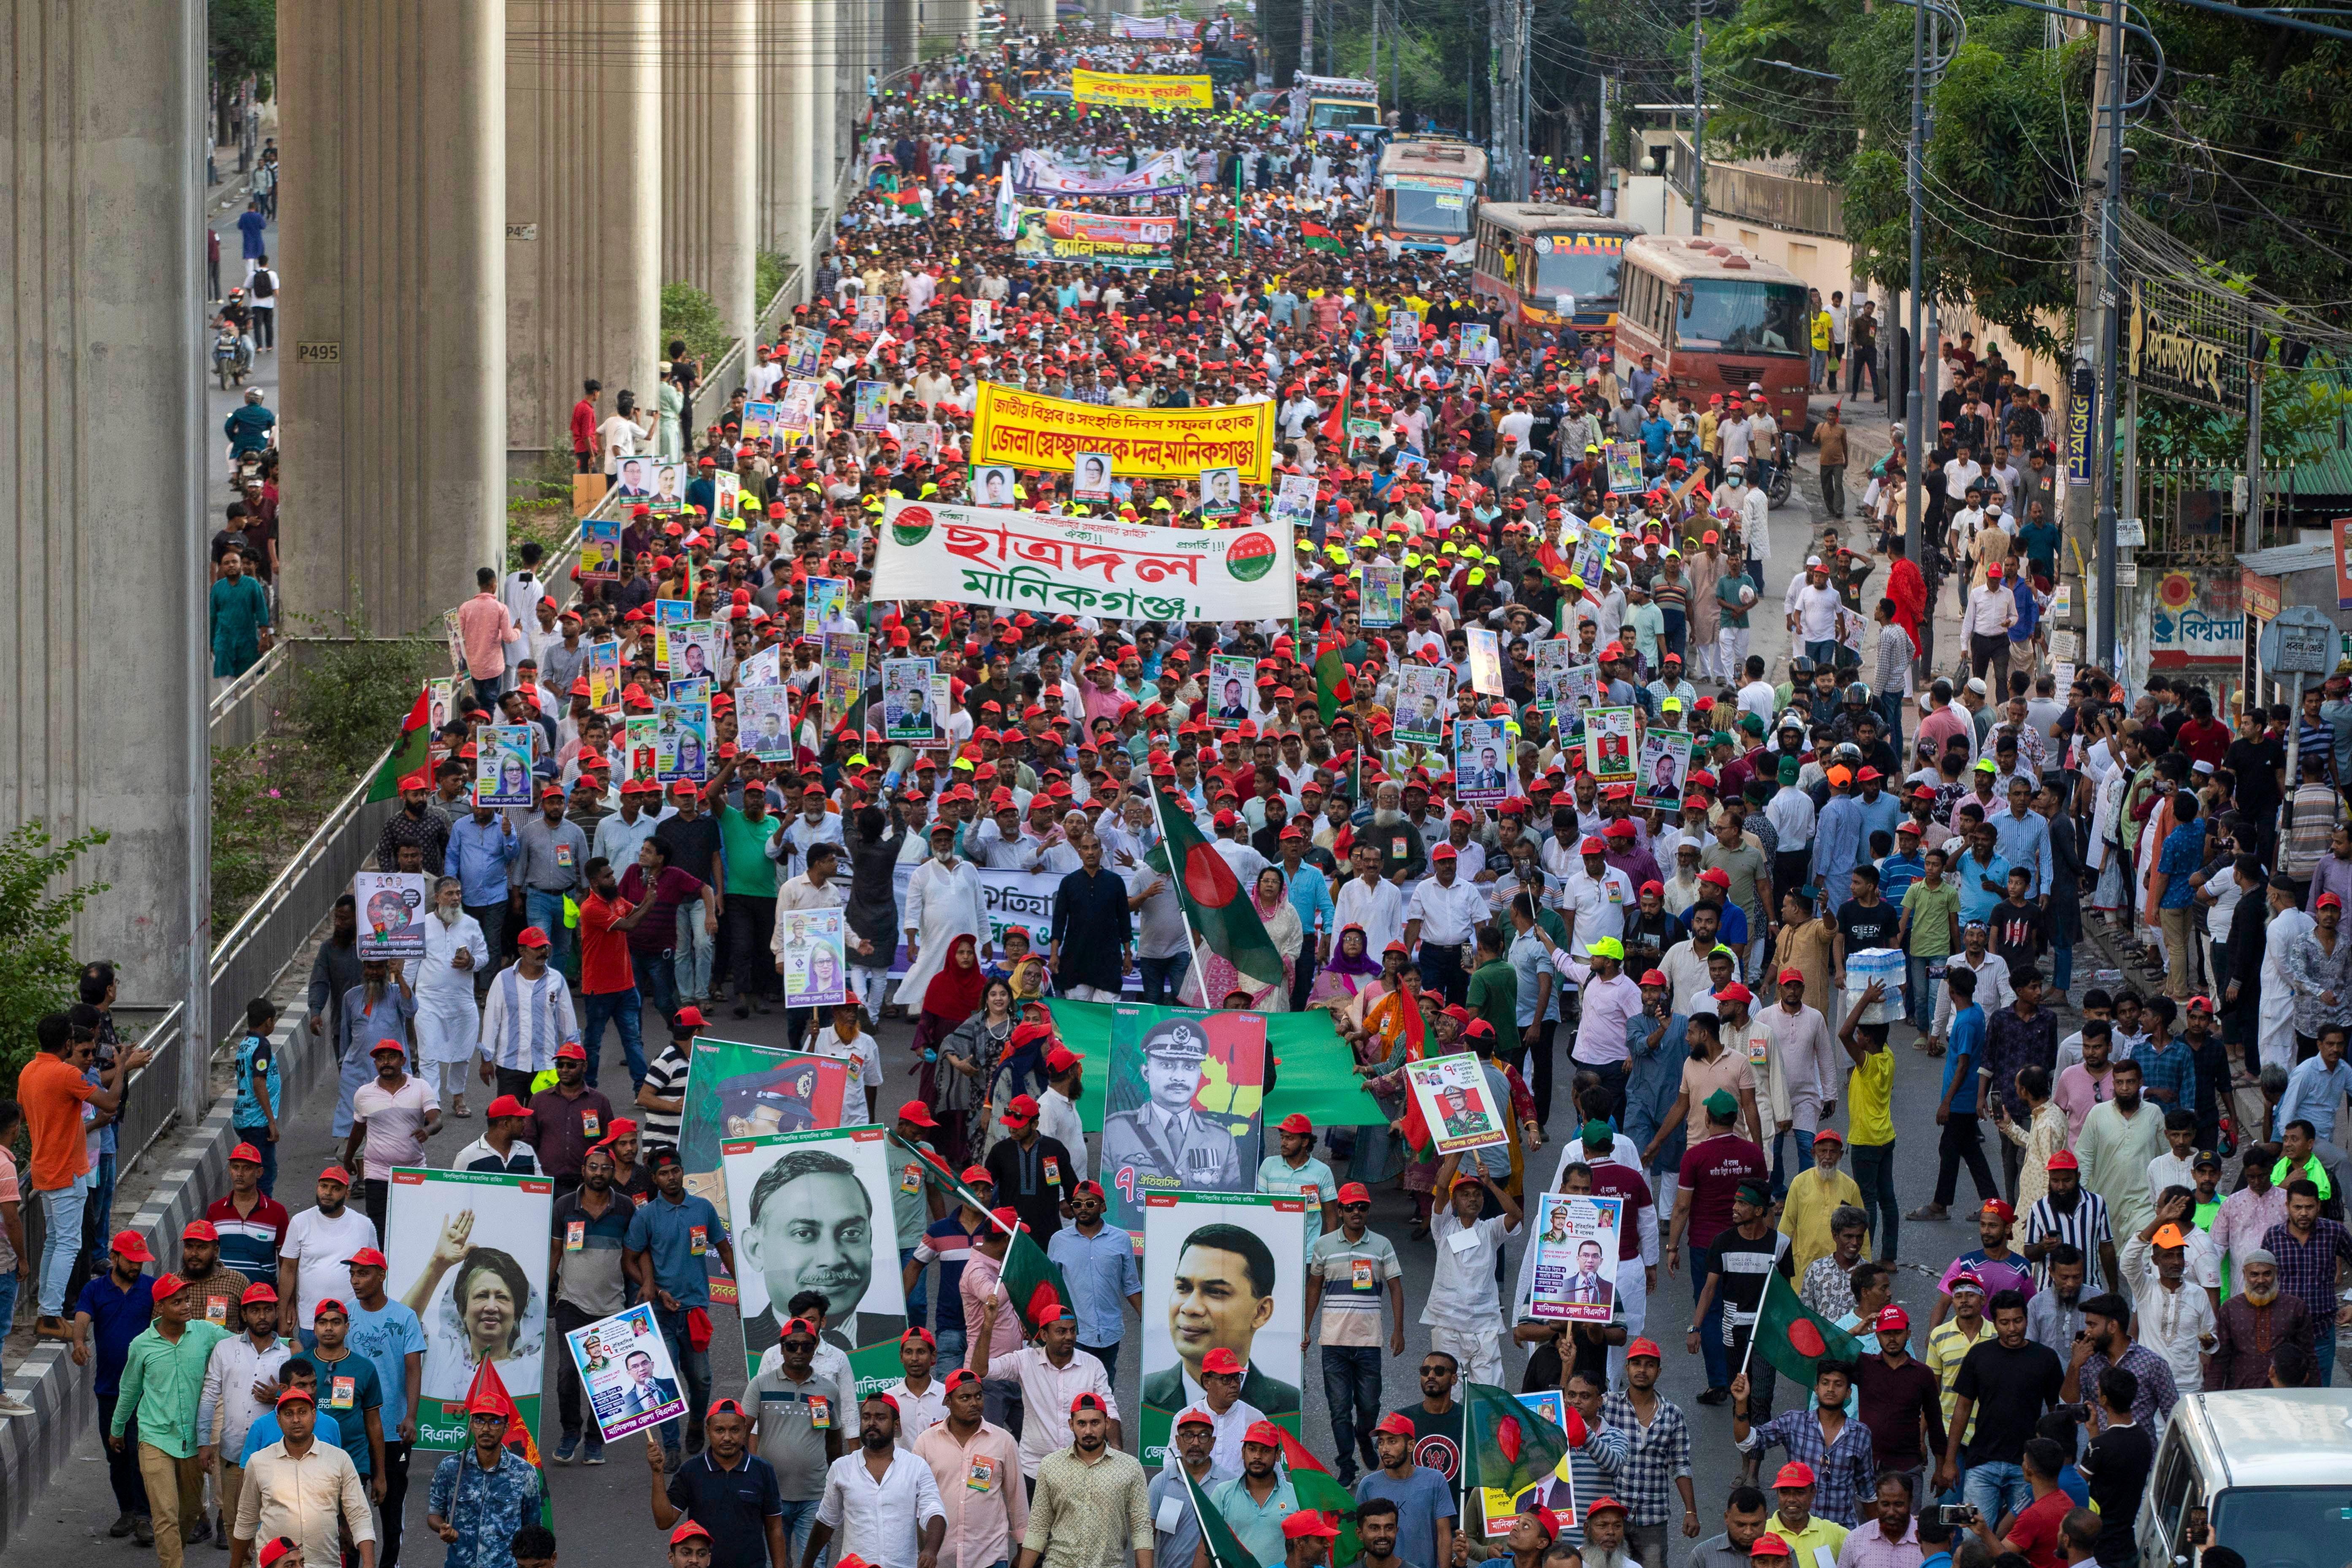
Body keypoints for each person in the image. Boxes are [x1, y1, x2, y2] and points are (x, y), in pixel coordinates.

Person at [111, 1272, 235, 1568]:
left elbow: (241, 1344)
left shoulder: (205, 1332)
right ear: (161, 1307)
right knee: (165, 1512)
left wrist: (284, 1344)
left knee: (191, 1511)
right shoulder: (142, 1345)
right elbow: (129, 1390)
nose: (186, 1306)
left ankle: (171, 1554)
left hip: (193, 1441)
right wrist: (117, 1428)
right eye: (177, 1302)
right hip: (154, 1438)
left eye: (187, 1300)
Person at [625, 1147, 734, 1463]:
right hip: (660, 1312)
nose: (671, 1177)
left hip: (696, 1309)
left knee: (702, 1379)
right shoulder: (646, 1216)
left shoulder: (702, 1208)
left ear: (682, 1171)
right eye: (663, 1173)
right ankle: (671, 1446)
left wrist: (742, 1290)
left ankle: (698, 1421)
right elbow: (629, 1260)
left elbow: (724, 1249)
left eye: (675, 1170)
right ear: (655, 1179)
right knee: (663, 1380)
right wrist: (655, 1290)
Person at [229, 1384, 376, 1568]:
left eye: (302, 1412)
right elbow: (246, 1519)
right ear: (279, 1421)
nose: (296, 1419)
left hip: (326, 1564)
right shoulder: (259, 1463)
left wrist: (369, 1563)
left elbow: (359, 1515)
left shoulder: (339, 1459)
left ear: (314, 1416)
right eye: (289, 1414)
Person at [804, 1393, 948, 1568]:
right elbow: (826, 1522)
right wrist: (806, 1564)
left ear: (896, 1426)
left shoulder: (916, 1466)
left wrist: (931, 1550)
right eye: (866, 1417)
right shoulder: (842, 1468)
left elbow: (933, 1511)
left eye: (880, 1418)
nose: (871, 1423)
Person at [1015, 1393, 1153, 1568]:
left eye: (1095, 1423)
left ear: (1107, 1423)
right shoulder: (1050, 1466)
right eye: (1082, 1423)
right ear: (1071, 1425)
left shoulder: (1130, 1467)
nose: (1088, 1431)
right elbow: (1038, 1527)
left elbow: (1141, 1530)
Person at [647, 1399, 788, 1568]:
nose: (727, 1438)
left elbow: (775, 1529)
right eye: (719, 1430)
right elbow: (664, 1521)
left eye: (735, 1430)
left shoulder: (763, 1471)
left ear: (745, 1431)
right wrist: (657, 1474)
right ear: (708, 1431)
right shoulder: (691, 1471)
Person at [425, 1397, 542, 1568]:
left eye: (494, 1422)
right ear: (471, 1425)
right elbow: (434, 1514)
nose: (486, 1429)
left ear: (506, 1427)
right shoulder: (451, 1468)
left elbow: (533, 1528)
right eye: (479, 1421)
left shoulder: (525, 1473)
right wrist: (442, 1527)